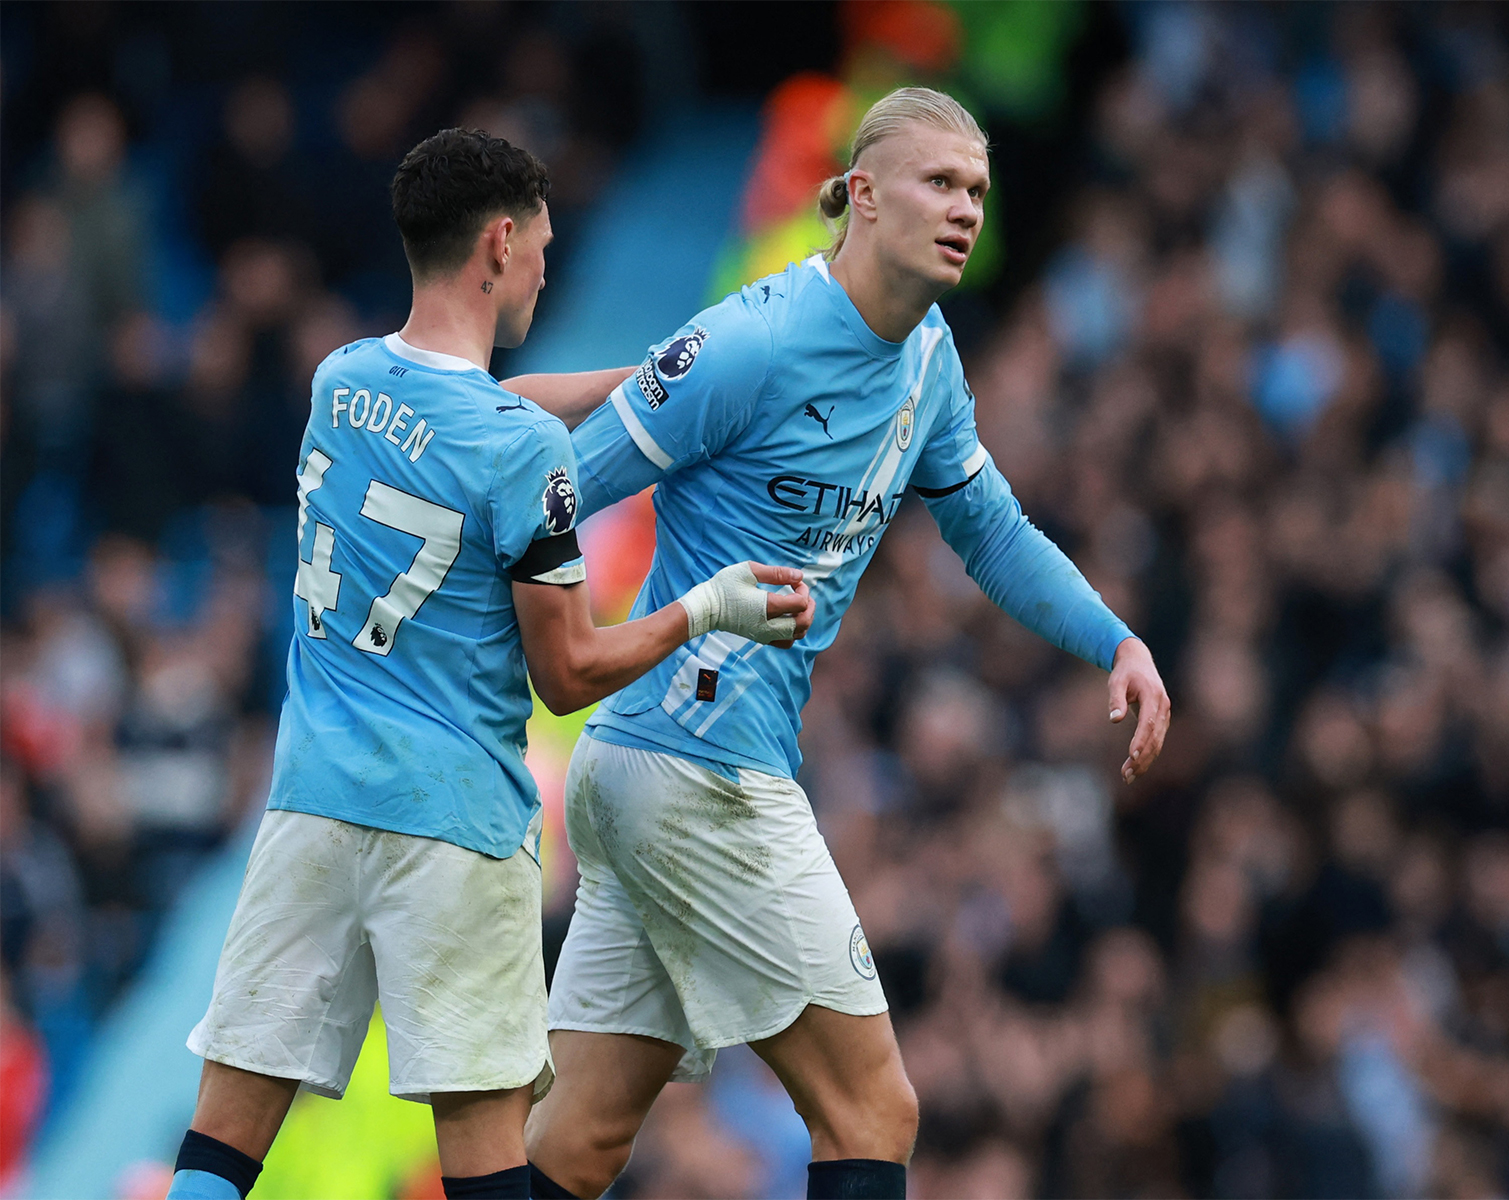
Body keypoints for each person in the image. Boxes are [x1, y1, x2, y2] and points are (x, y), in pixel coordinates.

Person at [515, 88, 1171, 1200]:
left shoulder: (927, 360)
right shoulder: (750, 339)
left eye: (976, 191)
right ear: (861, 195)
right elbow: (558, 490)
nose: (965, 209)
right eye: (938, 184)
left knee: (577, 1140)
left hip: (649, 776)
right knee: (873, 1109)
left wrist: (1114, 640)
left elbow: (992, 535)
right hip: (696, 768)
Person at [166, 128, 814, 1200]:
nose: (551, 265)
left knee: (220, 1148)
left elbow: (480, 410)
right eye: (545, 244)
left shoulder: (341, 381)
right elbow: (568, 675)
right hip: (454, 833)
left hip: (312, 806)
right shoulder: (525, 459)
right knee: (485, 1167)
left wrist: (653, 385)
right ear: (501, 243)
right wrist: (707, 607)